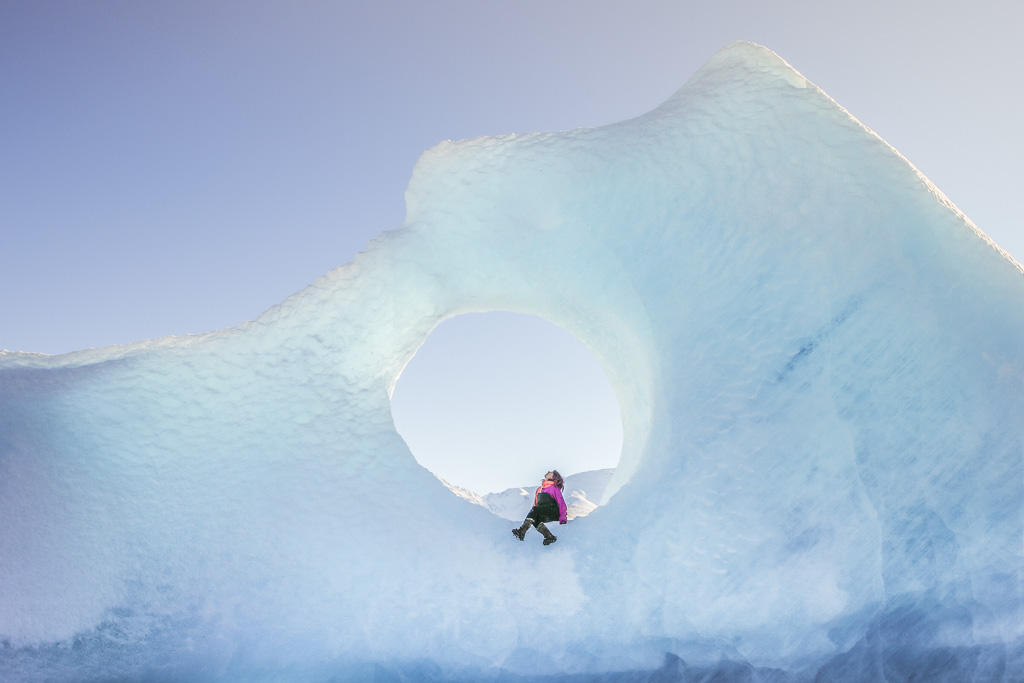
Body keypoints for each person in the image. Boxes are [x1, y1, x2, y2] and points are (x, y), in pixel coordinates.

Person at [512, 470, 567, 545]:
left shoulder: (554, 488)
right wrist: (533, 514)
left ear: (553, 477)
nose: (548, 471)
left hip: (553, 512)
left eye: (551, 472)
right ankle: (549, 536)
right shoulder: (539, 489)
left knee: (535, 511)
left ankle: (522, 531)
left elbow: (561, 503)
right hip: (543, 511)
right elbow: (536, 504)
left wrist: (563, 518)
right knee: (535, 518)